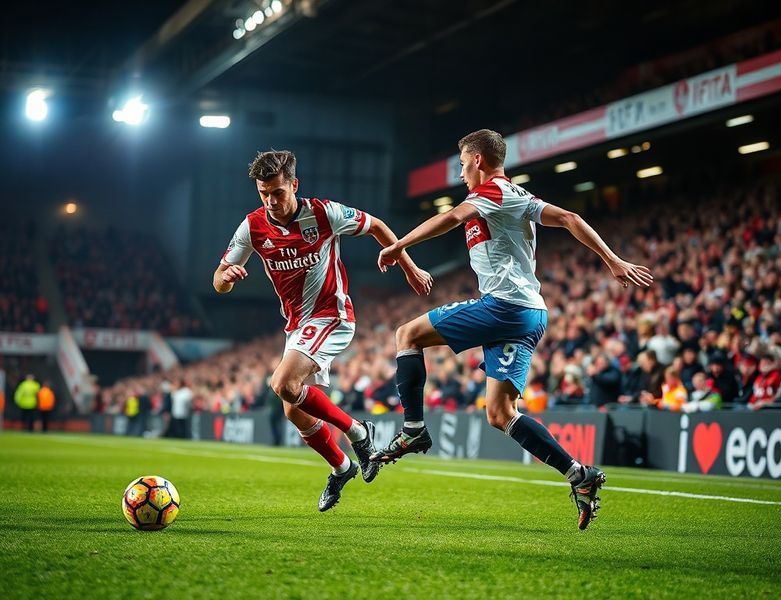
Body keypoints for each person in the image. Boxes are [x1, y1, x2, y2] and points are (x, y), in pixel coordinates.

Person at [370, 129, 652, 530]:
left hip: (505, 308)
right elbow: (569, 218)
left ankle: (414, 430)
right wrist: (611, 259)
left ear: (479, 161)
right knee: (500, 413)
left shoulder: (493, 192)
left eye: (465, 164)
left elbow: (451, 217)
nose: (463, 173)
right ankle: (579, 476)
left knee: (406, 335)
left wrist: (399, 246)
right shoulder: (518, 198)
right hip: (528, 314)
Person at [214, 149, 432, 511]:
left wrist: (407, 266)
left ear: (294, 185)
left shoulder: (324, 213)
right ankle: (341, 467)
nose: (271, 201)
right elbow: (218, 279)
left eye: (278, 192)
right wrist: (227, 278)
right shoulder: (252, 226)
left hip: (333, 314)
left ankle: (358, 431)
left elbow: (377, 225)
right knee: (293, 410)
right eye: (264, 193)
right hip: (297, 325)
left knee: (283, 385)